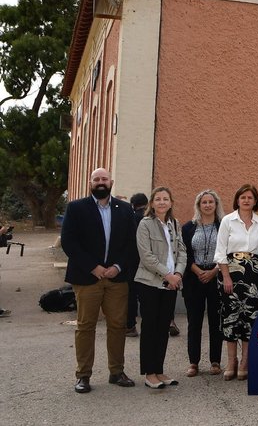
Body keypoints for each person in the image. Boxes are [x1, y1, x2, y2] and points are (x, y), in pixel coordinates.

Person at [60, 168, 138, 394]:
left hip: (117, 277)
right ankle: (83, 375)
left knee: (117, 326)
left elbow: (131, 244)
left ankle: (116, 371)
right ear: (90, 182)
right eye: (97, 179)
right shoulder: (76, 208)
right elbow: (69, 241)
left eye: (104, 179)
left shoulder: (124, 209)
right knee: (86, 327)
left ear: (111, 182)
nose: (101, 182)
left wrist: (117, 267)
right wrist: (93, 267)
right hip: (87, 277)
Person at [134, 186, 186, 388]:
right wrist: (168, 275)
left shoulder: (174, 224)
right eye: (158, 199)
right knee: (150, 328)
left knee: (163, 327)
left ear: (171, 202)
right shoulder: (145, 224)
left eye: (166, 199)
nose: (162, 202)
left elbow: (182, 251)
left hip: (171, 284)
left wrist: (178, 274)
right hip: (150, 283)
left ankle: (160, 370)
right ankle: (149, 373)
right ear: (152, 203)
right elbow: (146, 257)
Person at [214, 184, 258, 381]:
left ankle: (245, 361)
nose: (246, 200)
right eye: (242, 197)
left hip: (254, 276)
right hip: (231, 275)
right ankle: (231, 361)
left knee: (251, 319)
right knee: (231, 318)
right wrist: (226, 276)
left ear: (255, 201)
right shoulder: (227, 221)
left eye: (250, 197)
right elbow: (220, 251)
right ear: (237, 200)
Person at [180, 189, 224, 377]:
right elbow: (184, 253)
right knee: (194, 322)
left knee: (216, 322)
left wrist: (214, 271)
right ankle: (193, 362)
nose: (207, 205)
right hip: (194, 279)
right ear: (198, 205)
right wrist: (198, 271)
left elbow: (226, 251)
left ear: (216, 205)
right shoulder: (188, 227)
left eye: (210, 202)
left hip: (216, 278)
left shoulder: (223, 225)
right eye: (204, 202)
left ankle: (215, 361)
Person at [125, 193, 148, 337]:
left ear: (133, 205)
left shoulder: (131, 218)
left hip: (133, 262)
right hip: (149, 262)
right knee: (148, 296)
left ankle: (130, 326)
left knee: (131, 295)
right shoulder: (151, 219)